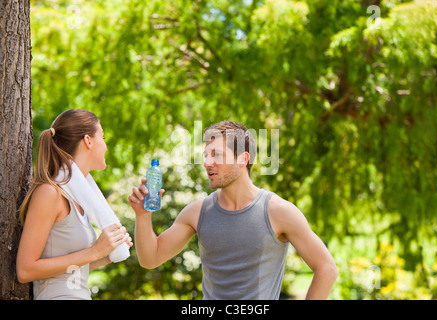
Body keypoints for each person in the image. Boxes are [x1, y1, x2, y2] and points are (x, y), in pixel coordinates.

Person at [129, 120, 338, 300]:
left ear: (243, 159)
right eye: (206, 155)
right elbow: (150, 259)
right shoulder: (196, 213)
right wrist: (143, 215)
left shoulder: (278, 212)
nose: (207, 163)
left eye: (216, 154)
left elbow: (326, 268)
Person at [16, 109, 132, 300]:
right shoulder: (50, 193)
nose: (105, 145)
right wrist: (94, 251)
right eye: (102, 137)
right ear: (88, 141)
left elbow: (67, 272)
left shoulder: (79, 198)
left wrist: (106, 254)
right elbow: (25, 270)